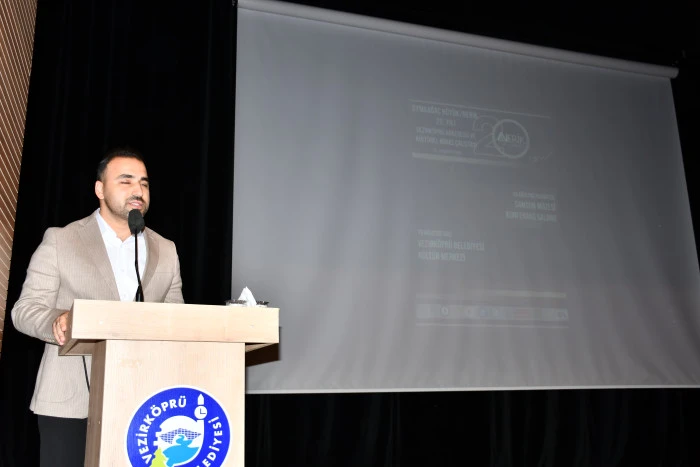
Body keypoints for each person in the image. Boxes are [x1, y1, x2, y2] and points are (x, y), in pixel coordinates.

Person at [11, 147, 184, 467]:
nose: (138, 190)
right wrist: (58, 320)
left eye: (144, 183)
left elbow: (176, 319)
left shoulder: (166, 250)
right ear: (100, 189)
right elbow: (25, 309)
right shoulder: (61, 240)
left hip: (143, 401)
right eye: (126, 181)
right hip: (71, 401)